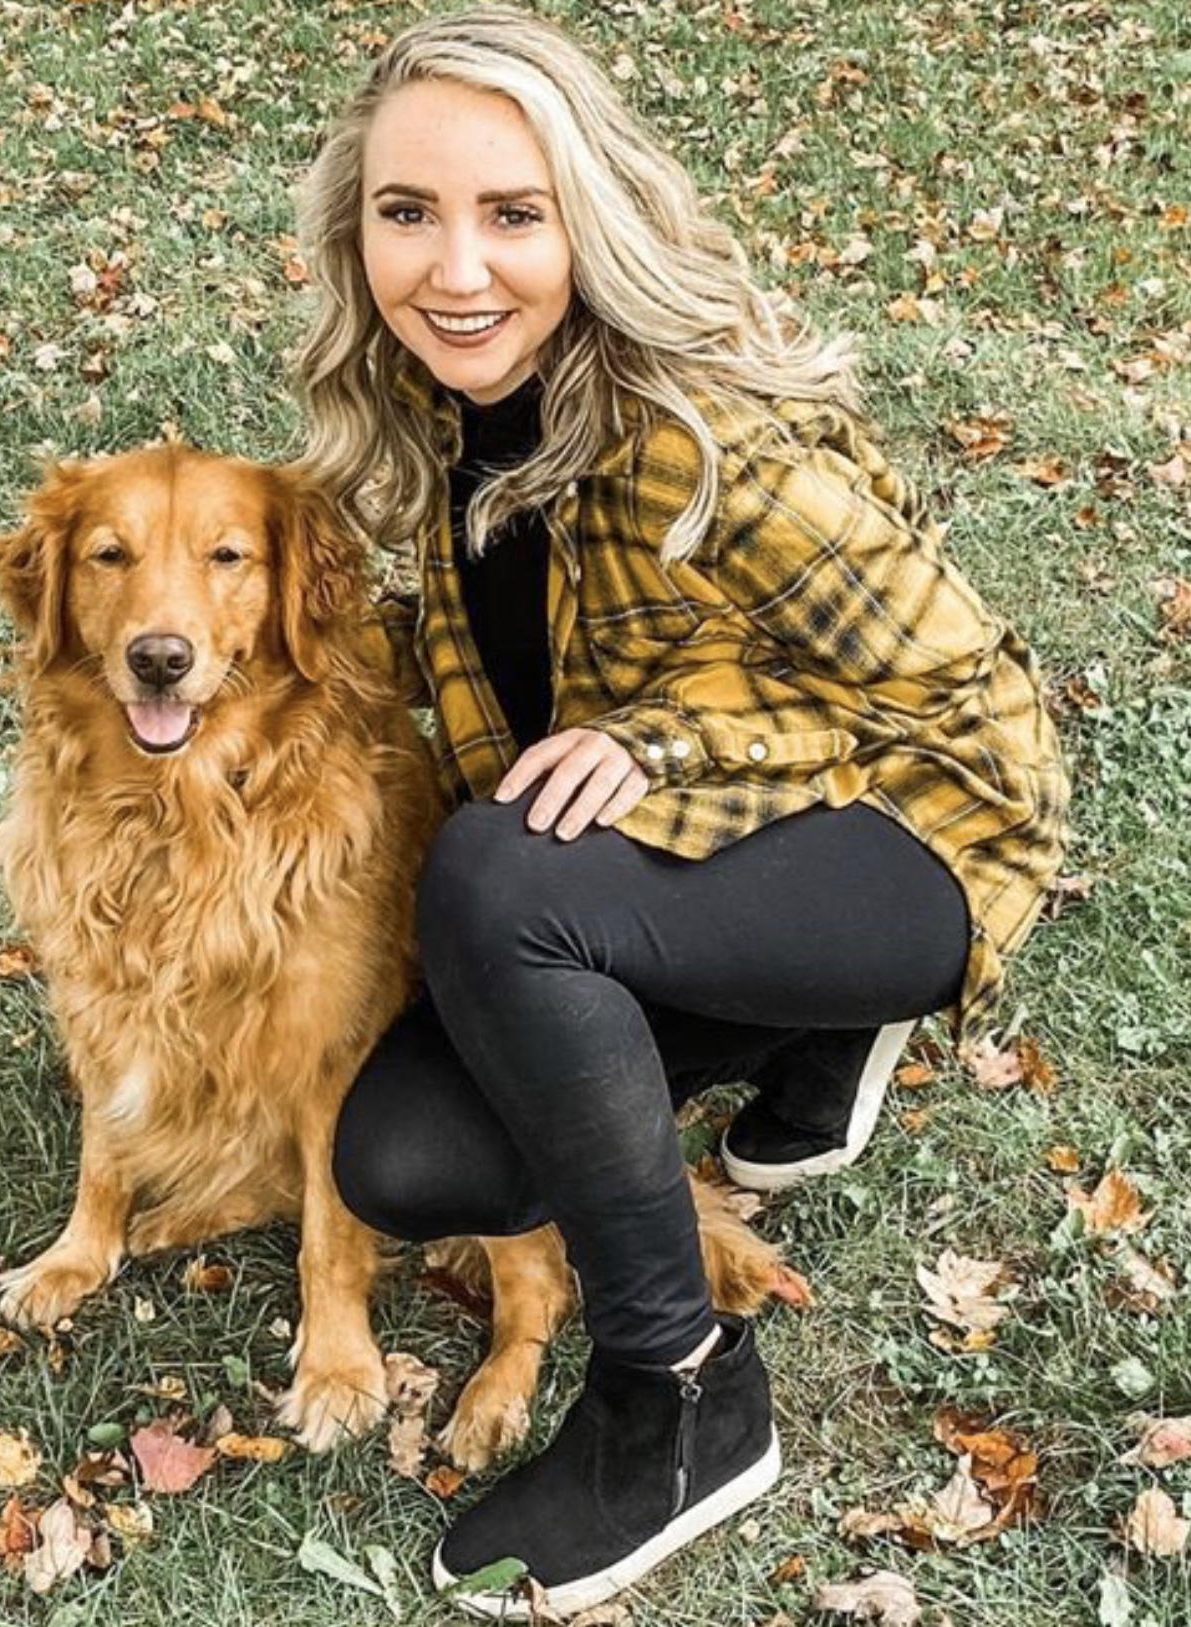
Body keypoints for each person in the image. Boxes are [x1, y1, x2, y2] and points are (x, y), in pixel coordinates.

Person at [293, 5, 1068, 1614]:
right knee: (411, 1157)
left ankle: (680, 1400)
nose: (454, 267)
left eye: (513, 214)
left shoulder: (701, 436)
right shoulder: (438, 408)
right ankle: (799, 1029)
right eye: (407, 210)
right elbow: (490, 665)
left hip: (922, 834)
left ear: (586, 218)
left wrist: (665, 744)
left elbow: (974, 705)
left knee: (500, 873)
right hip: (691, 862)